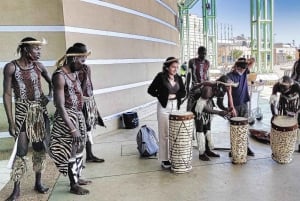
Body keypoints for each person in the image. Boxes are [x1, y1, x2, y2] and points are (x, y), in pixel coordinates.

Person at [3, 37, 52, 201]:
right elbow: (7, 94)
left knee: (39, 149)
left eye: (40, 49)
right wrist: (11, 121)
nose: (39, 52)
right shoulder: (11, 67)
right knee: (21, 151)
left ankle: (38, 182)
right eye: (36, 49)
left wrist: (49, 97)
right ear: (25, 50)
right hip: (23, 111)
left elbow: (52, 83)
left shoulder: (39, 66)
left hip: (39, 110)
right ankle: (16, 190)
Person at [49, 45, 91, 195]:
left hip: (78, 114)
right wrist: (72, 128)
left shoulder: (74, 73)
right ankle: (73, 184)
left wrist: (85, 77)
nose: (83, 64)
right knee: (71, 150)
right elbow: (60, 105)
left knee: (80, 147)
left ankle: (78, 177)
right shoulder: (59, 76)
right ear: (73, 58)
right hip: (67, 117)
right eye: (81, 60)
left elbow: (77, 93)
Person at [147, 57, 186, 169]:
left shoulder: (178, 78)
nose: (175, 69)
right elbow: (150, 90)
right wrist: (162, 96)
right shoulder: (160, 77)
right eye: (173, 67)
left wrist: (175, 96)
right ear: (167, 67)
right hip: (164, 107)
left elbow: (183, 92)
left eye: (176, 67)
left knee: (174, 133)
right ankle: (164, 159)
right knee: (164, 134)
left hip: (175, 107)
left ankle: (173, 156)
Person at [191, 75, 236, 161]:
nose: (228, 88)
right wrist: (219, 112)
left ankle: (208, 150)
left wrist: (226, 109)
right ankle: (201, 153)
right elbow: (201, 106)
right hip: (197, 105)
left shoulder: (222, 90)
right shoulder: (208, 88)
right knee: (200, 130)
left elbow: (220, 104)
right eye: (227, 86)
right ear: (221, 84)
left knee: (207, 129)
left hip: (207, 104)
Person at [75, 42, 106, 163]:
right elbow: (78, 90)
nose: (85, 58)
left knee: (88, 128)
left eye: (86, 56)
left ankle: (90, 154)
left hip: (89, 101)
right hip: (79, 103)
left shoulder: (86, 68)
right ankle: (79, 158)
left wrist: (91, 100)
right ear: (75, 56)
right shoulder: (74, 69)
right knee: (82, 129)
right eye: (82, 55)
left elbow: (89, 85)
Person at [226, 58, 255, 156]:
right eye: (241, 69)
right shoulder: (229, 76)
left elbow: (252, 61)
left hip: (244, 103)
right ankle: (233, 148)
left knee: (244, 127)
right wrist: (232, 107)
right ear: (236, 67)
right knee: (235, 128)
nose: (242, 71)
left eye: (244, 69)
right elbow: (229, 93)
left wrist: (246, 61)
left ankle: (246, 147)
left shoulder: (244, 71)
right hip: (234, 106)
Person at [270, 76, 300, 151]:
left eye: (285, 88)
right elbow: (272, 101)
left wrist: (298, 111)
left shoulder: (297, 86)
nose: (282, 89)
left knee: (299, 124)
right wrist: (274, 114)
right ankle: (283, 142)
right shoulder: (276, 86)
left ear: (290, 86)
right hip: (283, 102)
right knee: (283, 122)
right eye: (281, 87)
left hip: (295, 102)